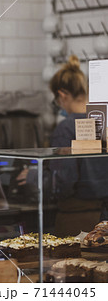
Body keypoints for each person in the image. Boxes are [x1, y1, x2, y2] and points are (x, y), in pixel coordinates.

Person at [48, 55, 107, 235]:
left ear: (62, 95)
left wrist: (33, 178)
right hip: (103, 216)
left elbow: (63, 182)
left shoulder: (65, 128)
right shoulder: (102, 124)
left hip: (77, 220)